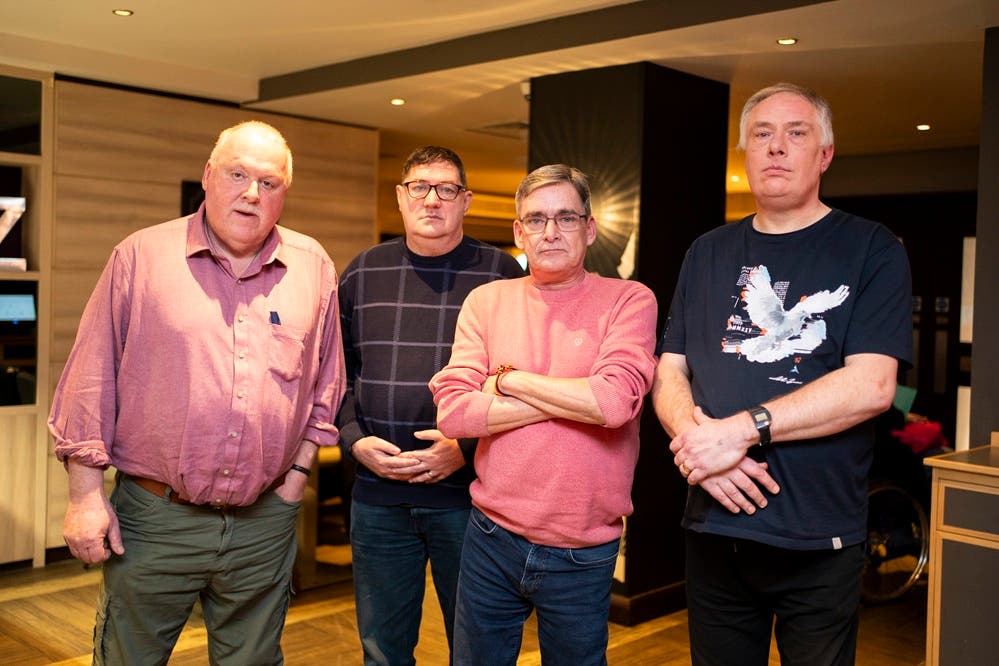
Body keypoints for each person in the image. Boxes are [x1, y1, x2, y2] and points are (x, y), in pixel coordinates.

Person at [48, 120, 345, 665]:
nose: (252, 193)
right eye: (238, 174)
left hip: (264, 522)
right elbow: (90, 381)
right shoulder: (140, 257)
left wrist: (297, 477)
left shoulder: (313, 267)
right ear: (208, 177)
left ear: (284, 194)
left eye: (270, 183)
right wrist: (84, 497)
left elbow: (326, 385)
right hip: (156, 519)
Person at [652, 83, 912, 666]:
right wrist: (698, 452)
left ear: (824, 155)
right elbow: (669, 370)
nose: (776, 147)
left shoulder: (872, 248)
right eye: (762, 135)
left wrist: (736, 433)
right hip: (713, 525)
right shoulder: (707, 251)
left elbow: (872, 386)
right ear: (745, 153)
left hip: (817, 538)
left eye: (796, 134)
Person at [430, 164, 658, 665]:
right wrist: (572, 400)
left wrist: (506, 379)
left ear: (590, 227)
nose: (549, 231)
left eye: (565, 218)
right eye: (535, 219)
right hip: (491, 535)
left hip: (583, 548)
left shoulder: (628, 300)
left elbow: (613, 404)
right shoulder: (486, 301)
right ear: (519, 231)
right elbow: (452, 411)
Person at [337, 145, 523, 665]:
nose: (432, 200)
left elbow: (520, 382)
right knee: (383, 650)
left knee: (479, 649)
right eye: (420, 186)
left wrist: (464, 447)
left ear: (465, 200)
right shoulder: (361, 272)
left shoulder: (501, 274)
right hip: (378, 498)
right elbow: (336, 375)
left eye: (447, 189)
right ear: (401, 197)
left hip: (471, 501)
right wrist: (354, 443)